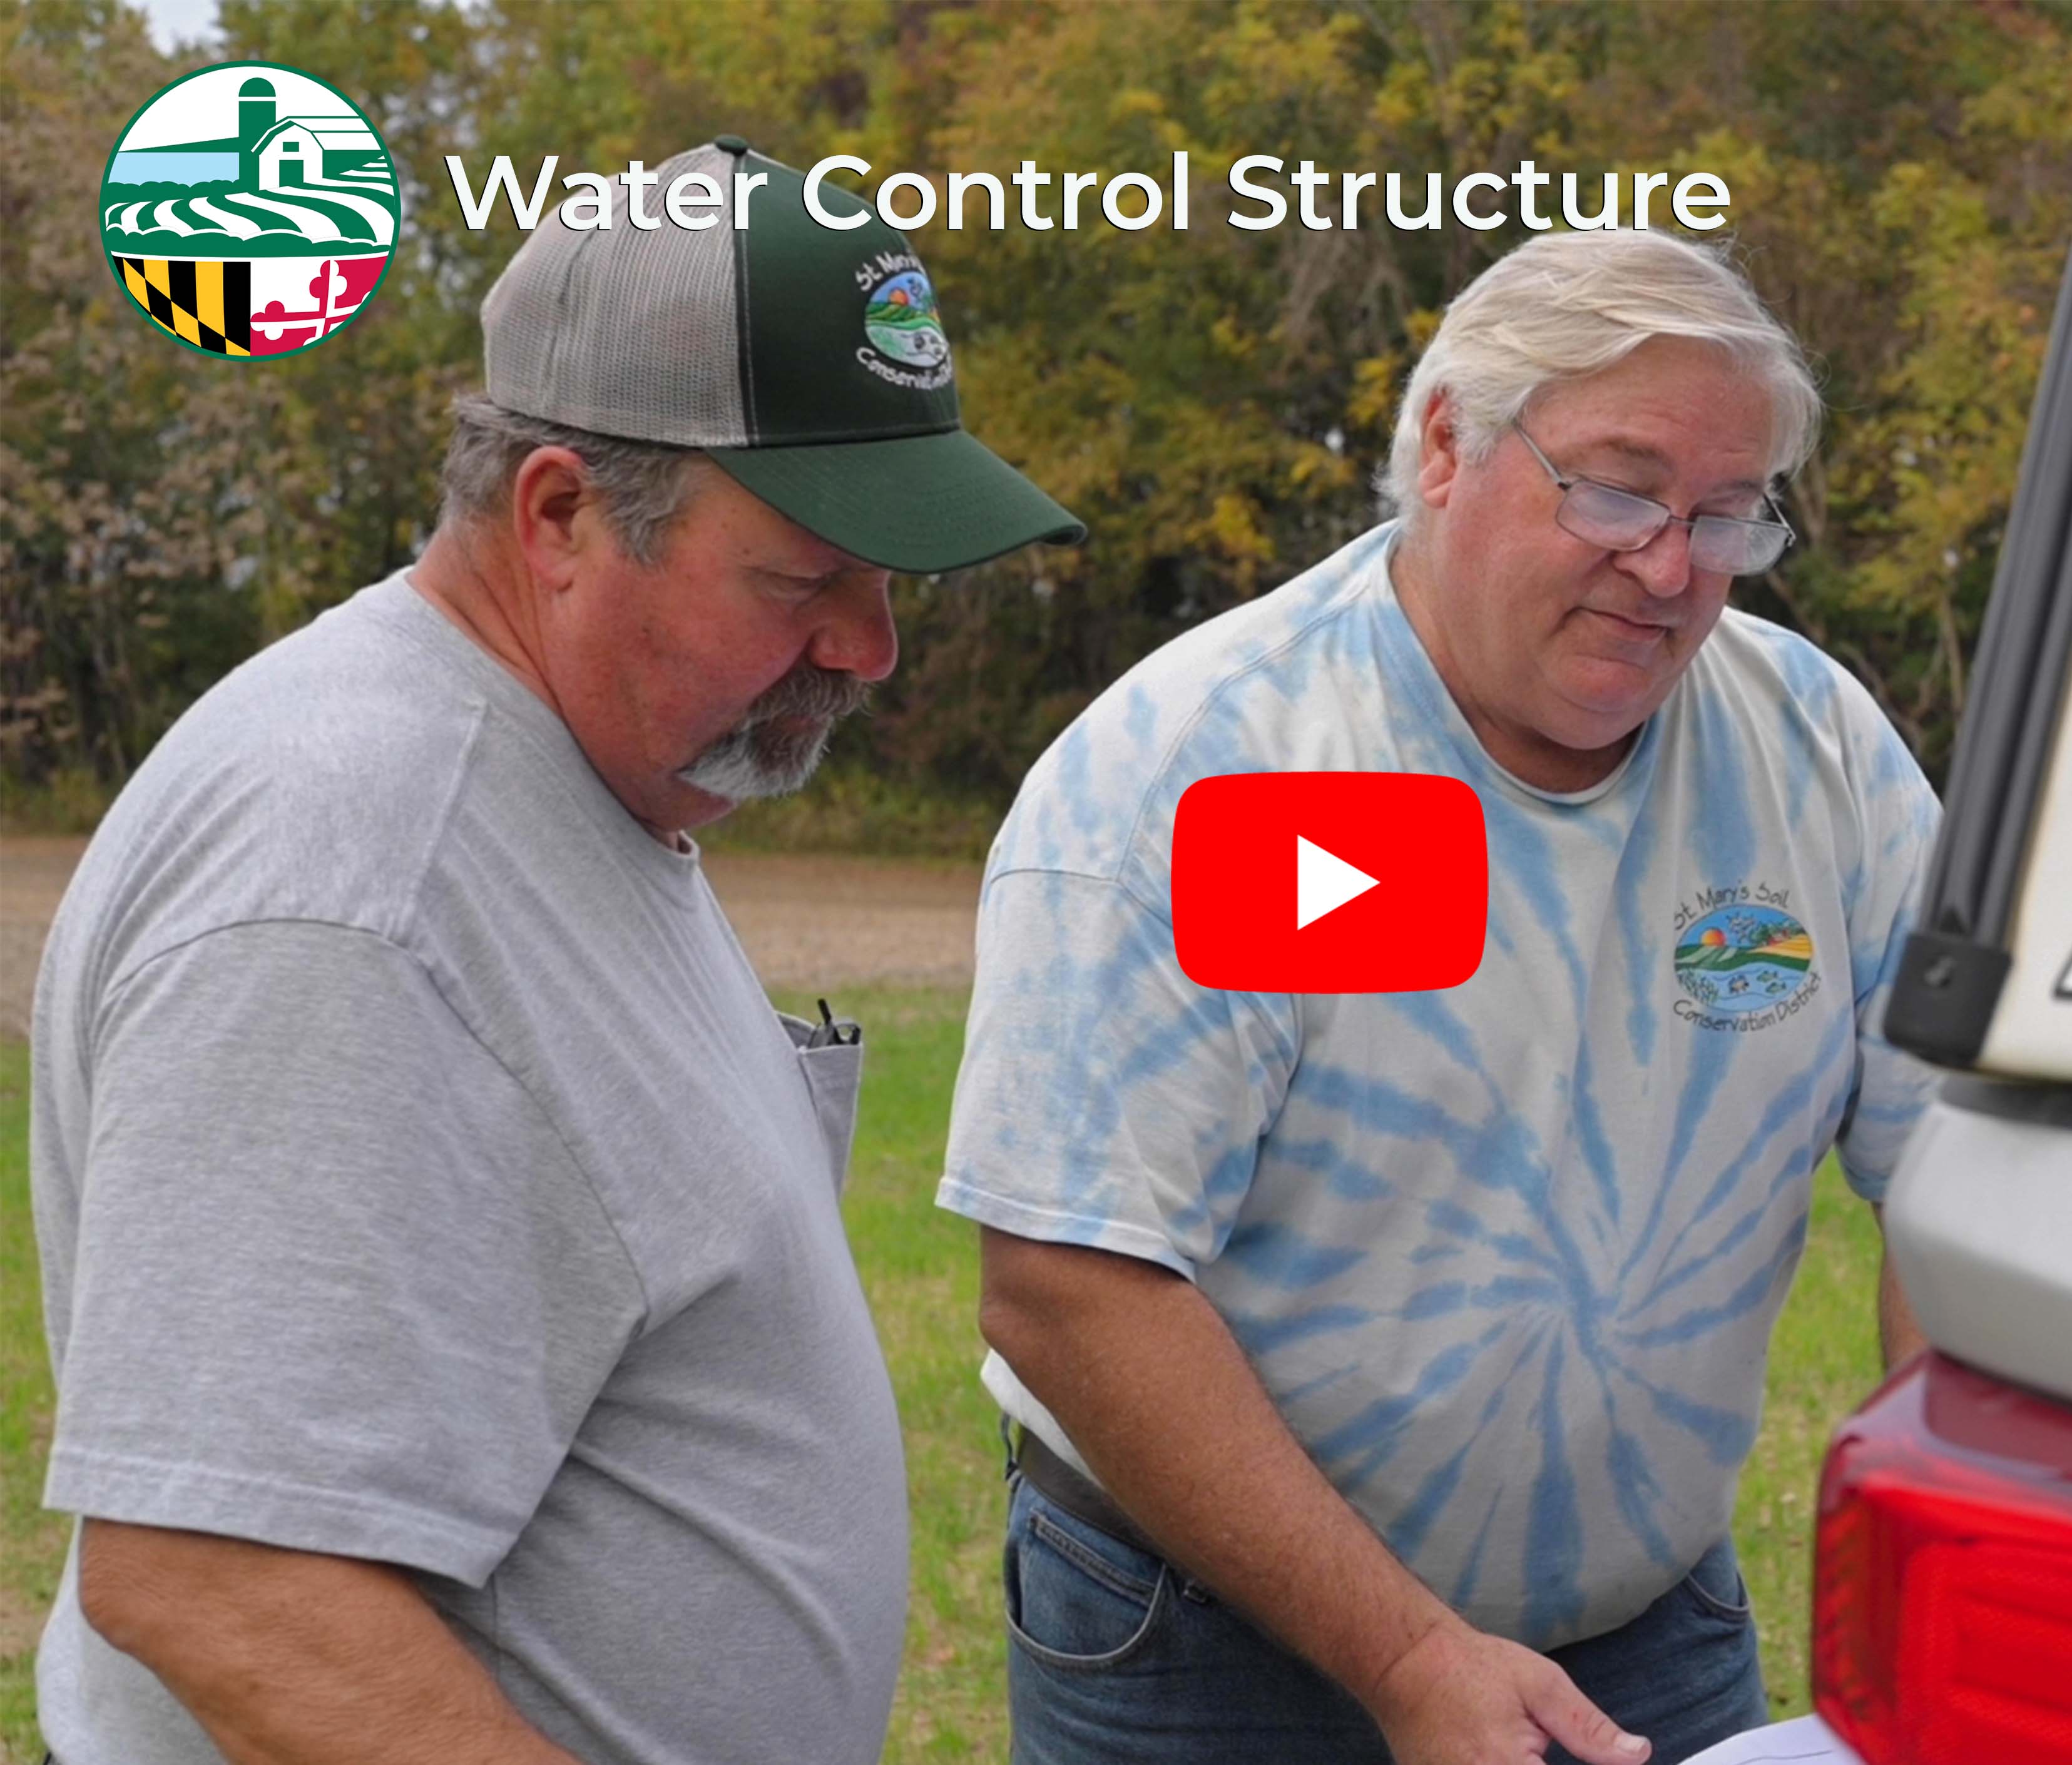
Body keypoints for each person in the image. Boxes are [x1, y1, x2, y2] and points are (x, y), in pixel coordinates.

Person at [28, 137, 1079, 1765]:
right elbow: (225, 1578)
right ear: (562, 514)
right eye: (807, 574)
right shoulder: (357, 877)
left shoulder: (581, 772)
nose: (869, 647)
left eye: (884, 579)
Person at [937, 226, 1941, 1764]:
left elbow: (1950, 1179)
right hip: (1208, 1650)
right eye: (1615, 491)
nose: (1669, 568)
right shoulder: (1219, 771)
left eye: (1724, 514)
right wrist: (1408, 1656)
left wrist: (1947, 1583)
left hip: (1646, 1632)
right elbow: (1070, 1284)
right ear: (1446, 446)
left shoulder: (1818, 754)